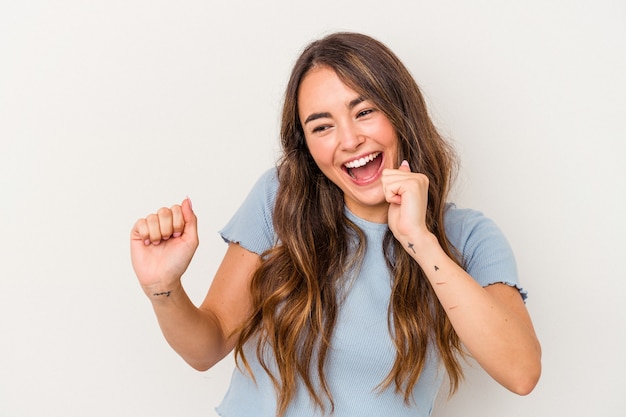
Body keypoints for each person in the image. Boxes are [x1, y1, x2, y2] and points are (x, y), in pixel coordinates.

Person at [130, 32, 541, 417]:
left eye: (364, 112)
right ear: (307, 146)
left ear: (400, 115)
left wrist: (419, 239)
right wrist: (162, 289)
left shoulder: (468, 237)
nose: (348, 140)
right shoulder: (280, 199)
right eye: (322, 126)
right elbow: (209, 346)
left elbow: (521, 372)